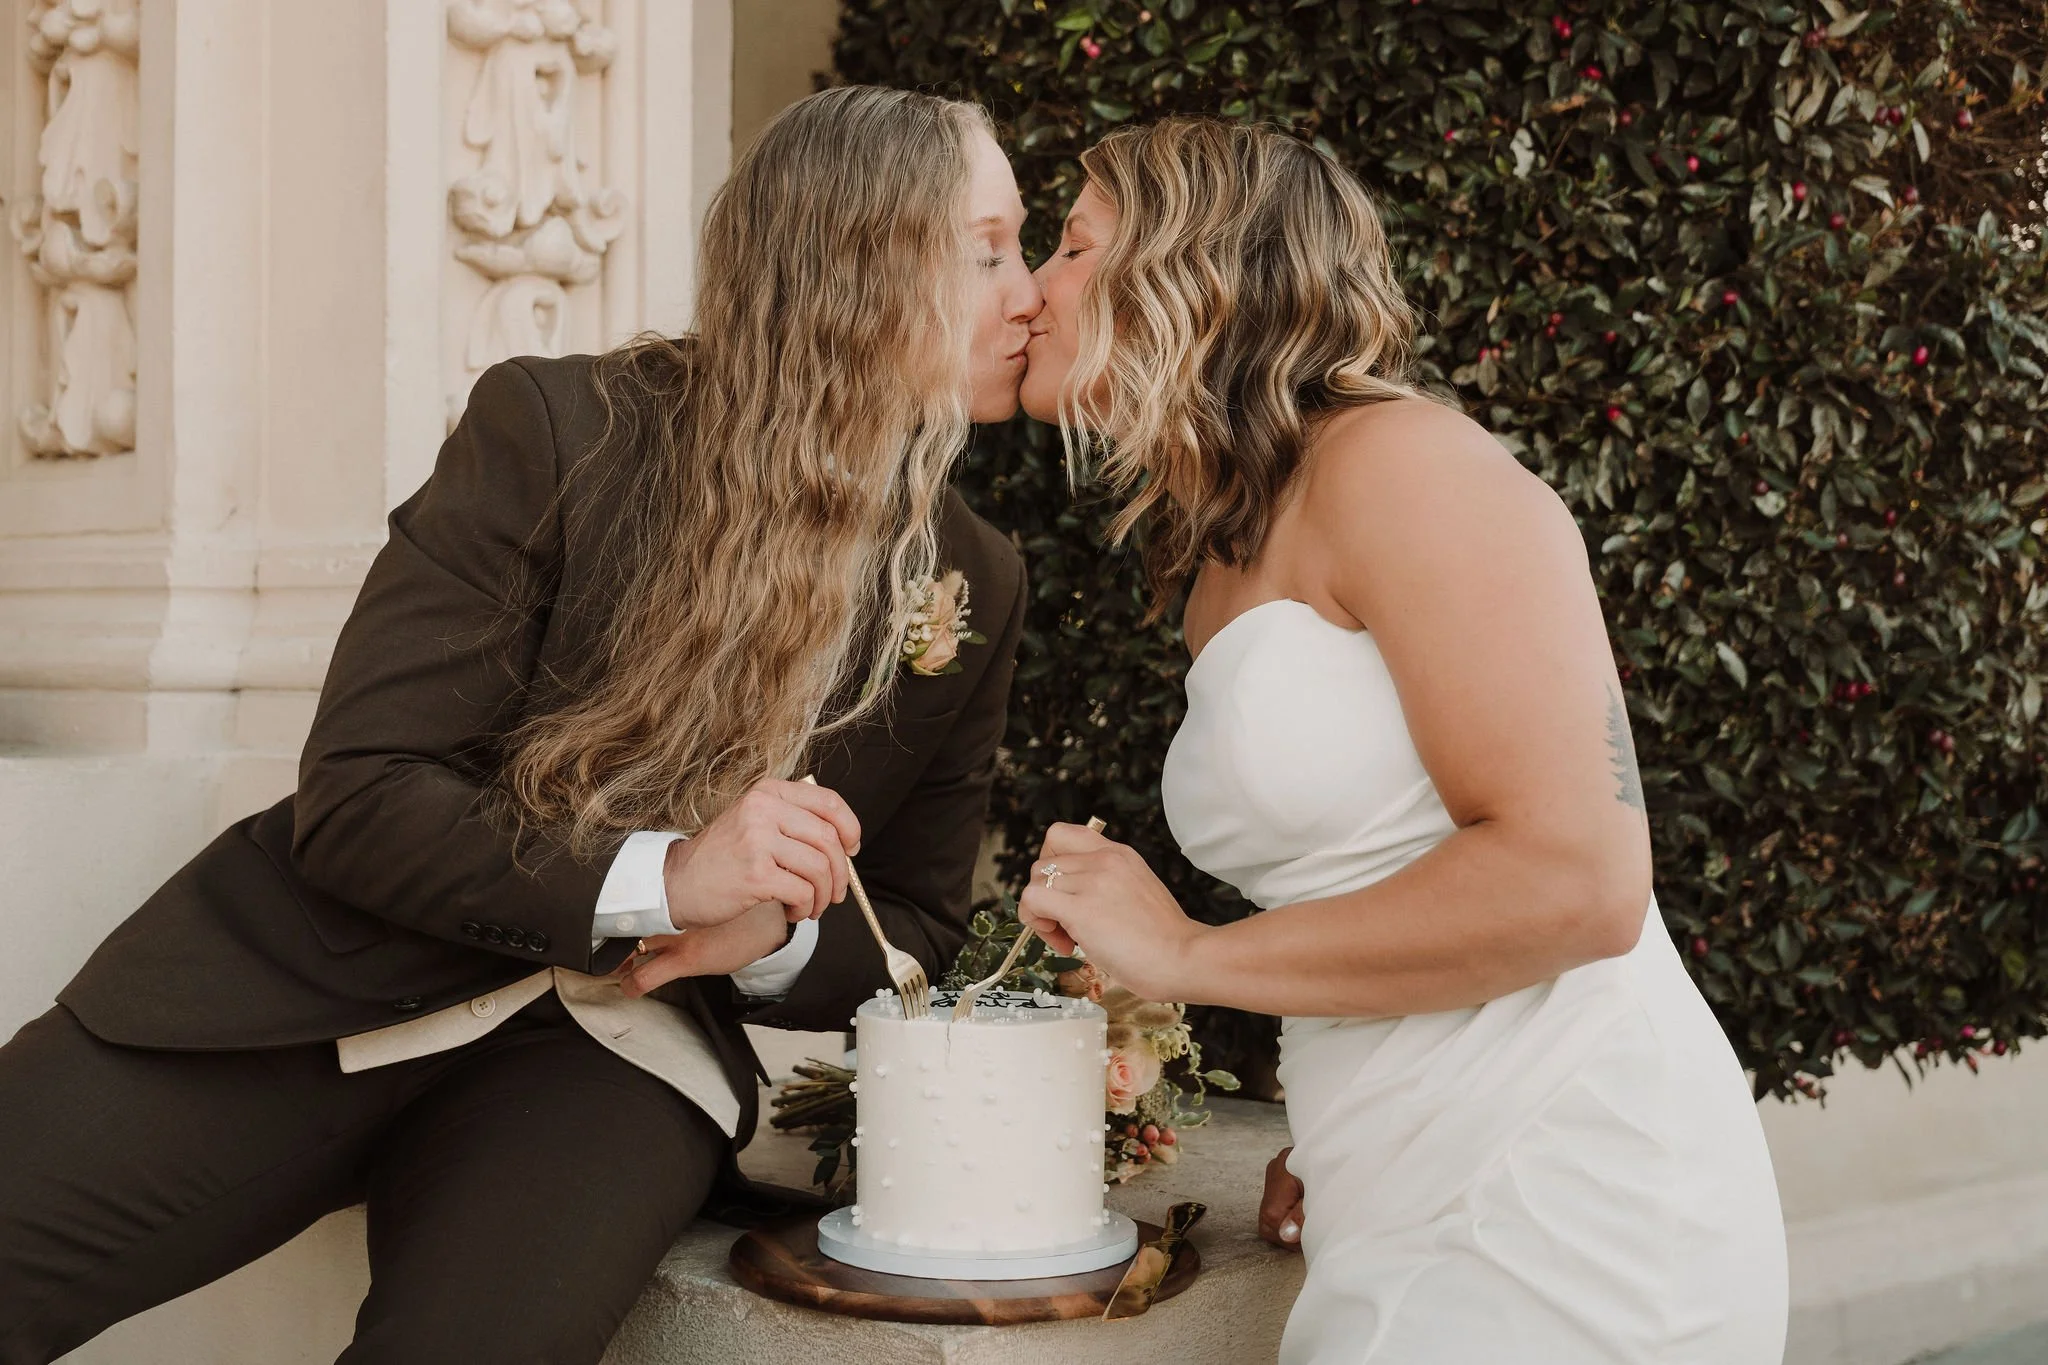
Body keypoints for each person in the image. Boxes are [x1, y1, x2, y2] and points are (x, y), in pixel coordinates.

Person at [0, 85, 1042, 1365]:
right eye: (987, 250)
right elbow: (363, 794)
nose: (1030, 291)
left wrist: (764, 936)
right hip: (307, 980)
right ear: (855, 259)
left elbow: (918, 927)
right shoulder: (559, 428)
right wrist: (670, 876)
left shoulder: (974, 578)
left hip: (613, 1068)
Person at [1014, 117, 1788, 1364]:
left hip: (1566, 1179)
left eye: (1070, 246)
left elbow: (1574, 879)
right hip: (1388, 1169)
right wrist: (1335, 1133)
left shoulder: (1400, 463)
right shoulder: (1217, 547)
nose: (1036, 288)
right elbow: (1383, 866)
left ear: (1186, 277)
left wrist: (1185, 953)